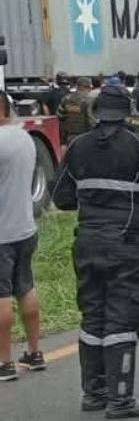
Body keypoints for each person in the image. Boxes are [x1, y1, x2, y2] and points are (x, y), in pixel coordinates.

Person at [50, 85, 139, 417]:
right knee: (123, 319)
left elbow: (61, 196)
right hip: (128, 246)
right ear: (128, 112)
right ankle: (121, 400)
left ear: (98, 112)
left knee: (93, 316)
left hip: (87, 244)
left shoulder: (79, 147)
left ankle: (94, 394)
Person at [0, 92, 45, 382]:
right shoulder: (26, 138)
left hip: (1, 234)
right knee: (25, 288)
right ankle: (34, 352)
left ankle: (4, 362)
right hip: (25, 228)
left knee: (1, 295)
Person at [58, 77, 98, 155]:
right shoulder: (90, 99)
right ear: (87, 87)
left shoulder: (66, 98)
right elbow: (91, 120)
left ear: (77, 86)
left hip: (69, 136)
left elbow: (60, 116)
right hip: (85, 136)